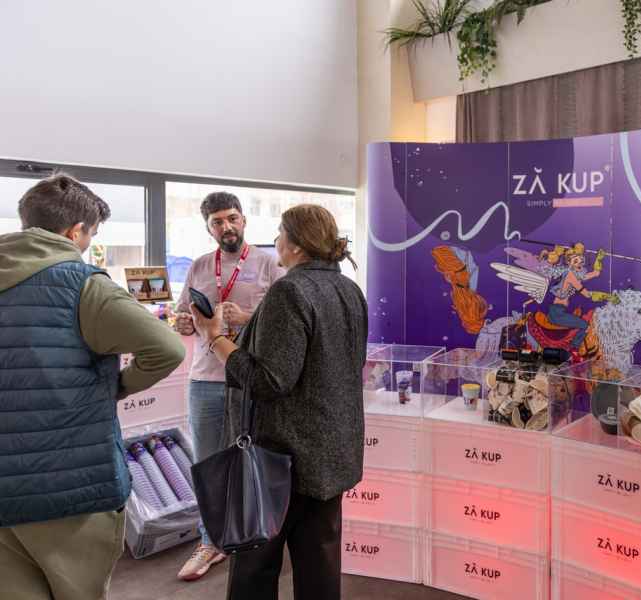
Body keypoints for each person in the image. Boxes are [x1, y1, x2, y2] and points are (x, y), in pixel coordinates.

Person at [0, 174, 185, 600]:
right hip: (71, 489)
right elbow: (166, 348)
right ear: (75, 232)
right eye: (91, 235)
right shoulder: (82, 285)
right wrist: (117, 387)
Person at [190, 204, 367, 600]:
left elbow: (268, 380)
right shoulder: (348, 289)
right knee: (320, 566)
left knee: (254, 567)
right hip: (332, 452)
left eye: (280, 234)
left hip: (282, 459)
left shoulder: (290, 290)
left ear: (296, 245)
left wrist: (215, 338)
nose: (275, 241)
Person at [171, 191, 282, 581]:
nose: (227, 227)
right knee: (207, 464)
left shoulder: (270, 263)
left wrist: (247, 316)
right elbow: (182, 313)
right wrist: (183, 322)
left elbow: (284, 320)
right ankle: (210, 541)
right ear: (209, 228)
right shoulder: (200, 266)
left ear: (244, 220)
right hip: (205, 378)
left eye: (232, 218)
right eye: (217, 222)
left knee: (255, 461)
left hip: (250, 377)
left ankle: (257, 535)